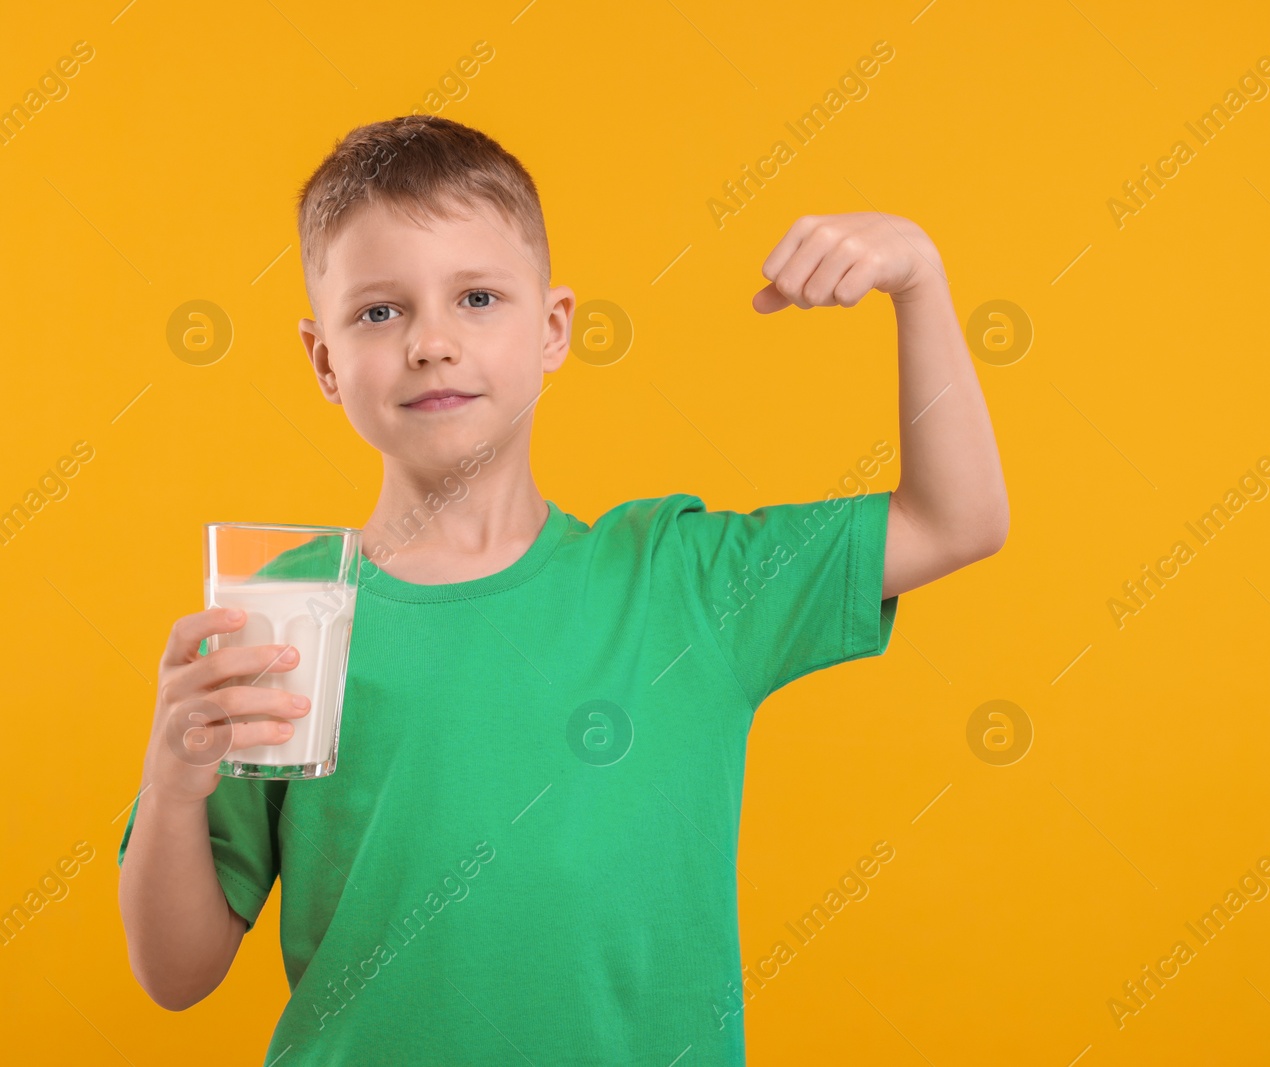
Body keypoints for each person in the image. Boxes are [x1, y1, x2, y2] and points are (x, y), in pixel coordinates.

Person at [117, 113, 1007, 1065]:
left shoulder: (681, 582)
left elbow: (954, 521)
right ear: (324, 361)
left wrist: (918, 278)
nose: (431, 342)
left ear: (552, 330)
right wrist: (173, 782)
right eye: (379, 312)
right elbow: (178, 974)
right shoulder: (287, 619)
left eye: (478, 297)